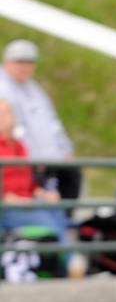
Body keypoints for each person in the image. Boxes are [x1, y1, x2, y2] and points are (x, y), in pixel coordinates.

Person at [0, 39, 81, 201]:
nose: (25, 67)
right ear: (7, 62)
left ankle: (66, 220)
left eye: (29, 63)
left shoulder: (34, 89)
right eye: (20, 62)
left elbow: (52, 122)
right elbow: (15, 130)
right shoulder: (4, 89)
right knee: (40, 193)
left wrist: (66, 150)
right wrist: (33, 158)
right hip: (28, 160)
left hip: (49, 157)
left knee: (71, 178)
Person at [0, 98, 69, 244]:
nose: (6, 118)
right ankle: (70, 261)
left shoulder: (20, 146)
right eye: (1, 114)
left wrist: (43, 193)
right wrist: (8, 198)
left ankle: (64, 259)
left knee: (56, 209)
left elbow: (30, 182)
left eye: (7, 113)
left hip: (27, 202)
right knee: (45, 222)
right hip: (9, 207)